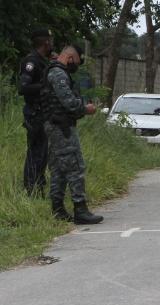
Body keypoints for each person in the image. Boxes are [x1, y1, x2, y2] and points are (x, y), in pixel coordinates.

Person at [41, 44, 103, 224]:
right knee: (75, 166)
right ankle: (80, 209)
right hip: (62, 128)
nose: (76, 66)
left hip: (56, 126)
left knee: (59, 169)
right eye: (76, 61)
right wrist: (86, 109)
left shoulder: (53, 71)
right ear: (69, 58)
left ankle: (58, 209)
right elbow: (68, 102)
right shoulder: (59, 74)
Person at [17, 29, 53, 197]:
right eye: (50, 41)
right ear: (46, 42)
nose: (52, 44)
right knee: (35, 153)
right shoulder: (31, 62)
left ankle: (38, 187)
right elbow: (23, 88)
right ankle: (31, 189)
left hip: (43, 114)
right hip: (34, 113)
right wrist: (45, 86)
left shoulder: (43, 61)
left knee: (42, 153)